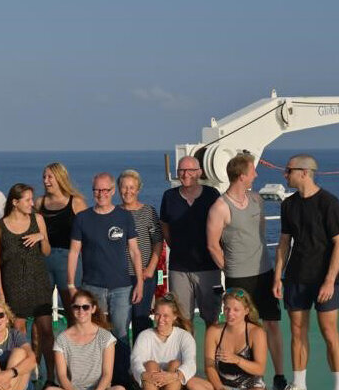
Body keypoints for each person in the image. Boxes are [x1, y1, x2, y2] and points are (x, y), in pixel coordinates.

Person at [272, 154, 339, 390]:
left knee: (330, 333)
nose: (285, 175)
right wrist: (277, 276)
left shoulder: (329, 202)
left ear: (304, 172)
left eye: (289, 171)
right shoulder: (288, 205)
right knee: (297, 331)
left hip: (324, 278)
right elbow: (284, 242)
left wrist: (329, 280)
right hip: (297, 276)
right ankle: (299, 386)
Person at [207, 153, 287, 390]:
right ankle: (250, 378)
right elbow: (212, 245)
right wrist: (230, 267)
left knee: (271, 323)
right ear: (242, 176)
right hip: (238, 277)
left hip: (264, 272)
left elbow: (260, 234)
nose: (256, 174)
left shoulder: (256, 200)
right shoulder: (220, 207)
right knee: (246, 325)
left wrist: (274, 276)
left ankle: (280, 376)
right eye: (253, 171)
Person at [67, 173, 143, 374]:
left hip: (121, 287)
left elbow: (135, 251)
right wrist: (71, 285)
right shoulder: (82, 218)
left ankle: (122, 378)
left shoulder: (124, 216)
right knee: (95, 333)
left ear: (112, 191)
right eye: (96, 190)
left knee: (120, 333)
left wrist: (140, 283)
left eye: (105, 190)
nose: (101, 194)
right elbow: (74, 252)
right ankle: (96, 377)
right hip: (92, 286)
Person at [0, 183, 54, 378]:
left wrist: (41, 236)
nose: (31, 203)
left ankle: (50, 376)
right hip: (13, 285)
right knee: (19, 334)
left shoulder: (38, 219)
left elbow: (47, 251)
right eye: (27, 200)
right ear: (15, 202)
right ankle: (24, 375)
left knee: (46, 331)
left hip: (38, 282)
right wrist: (0, 292)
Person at [184, 288, 269, 390]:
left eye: (236, 310)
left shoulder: (256, 333)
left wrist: (237, 360)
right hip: (221, 387)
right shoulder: (214, 331)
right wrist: (220, 389)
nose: (230, 314)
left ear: (246, 311)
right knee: (191, 382)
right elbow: (209, 367)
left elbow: (260, 369)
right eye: (227, 309)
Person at [43, 290, 126, 390]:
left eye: (85, 307)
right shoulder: (62, 339)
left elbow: (107, 374)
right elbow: (62, 376)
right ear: (71, 309)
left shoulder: (105, 337)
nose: (81, 311)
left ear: (93, 309)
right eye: (76, 307)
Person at [160, 156, 222, 328]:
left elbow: (222, 225)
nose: (186, 174)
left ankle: (212, 355)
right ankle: (188, 355)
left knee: (212, 318)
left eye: (190, 170)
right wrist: (177, 246)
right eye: (181, 170)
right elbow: (164, 226)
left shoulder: (212, 195)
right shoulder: (169, 197)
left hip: (209, 267)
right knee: (182, 319)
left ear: (199, 172)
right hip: (179, 268)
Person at [130, 293, 197, 390]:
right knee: (150, 364)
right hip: (148, 388)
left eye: (165, 315)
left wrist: (173, 375)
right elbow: (135, 360)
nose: (160, 319)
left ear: (174, 316)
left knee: (176, 364)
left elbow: (191, 363)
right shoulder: (145, 335)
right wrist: (144, 374)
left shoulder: (184, 336)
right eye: (157, 314)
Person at [36, 162, 88, 317]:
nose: (46, 180)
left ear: (60, 178)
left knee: (73, 311)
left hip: (69, 261)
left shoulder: (76, 202)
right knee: (41, 312)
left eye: (50, 177)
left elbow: (87, 234)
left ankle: (74, 342)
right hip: (44, 260)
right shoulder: (40, 203)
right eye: (44, 177)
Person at [118, 169, 162, 344]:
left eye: (132, 187)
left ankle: (141, 365)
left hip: (143, 275)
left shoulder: (148, 212)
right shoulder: (114, 213)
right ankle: (121, 367)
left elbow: (158, 241)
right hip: (119, 277)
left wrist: (151, 269)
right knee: (120, 322)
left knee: (141, 320)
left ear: (138, 190)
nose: (128, 191)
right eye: (124, 187)